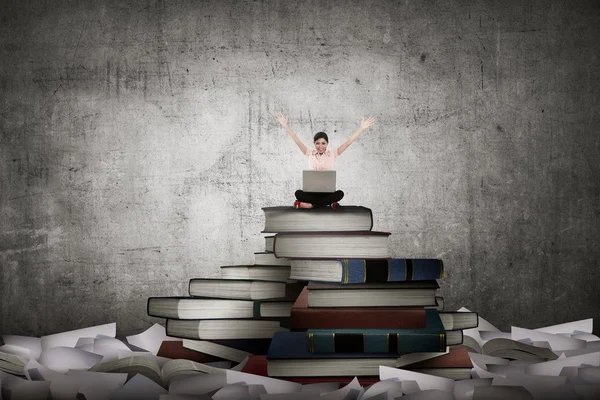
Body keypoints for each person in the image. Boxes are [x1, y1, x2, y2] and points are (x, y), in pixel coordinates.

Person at [276, 112, 376, 209]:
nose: (320, 146)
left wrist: (361, 128)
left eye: (323, 143)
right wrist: (285, 125)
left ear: (327, 144)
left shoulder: (332, 154)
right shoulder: (309, 153)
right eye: (317, 143)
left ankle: (311, 205)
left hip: (327, 192)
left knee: (340, 194)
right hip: (312, 193)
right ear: (314, 143)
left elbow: (348, 143)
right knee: (298, 193)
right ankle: (328, 203)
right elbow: (297, 140)